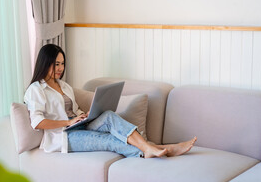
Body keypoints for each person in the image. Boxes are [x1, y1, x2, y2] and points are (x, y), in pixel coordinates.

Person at [24, 44, 197, 158]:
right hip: (64, 137)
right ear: (45, 63)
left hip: (78, 125)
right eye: (56, 64)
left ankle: (151, 148)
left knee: (108, 115)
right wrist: (69, 122)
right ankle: (159, 149)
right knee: (109, 141)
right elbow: (37, 122)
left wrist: (81, 116)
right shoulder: (36, 90)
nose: (60, 68)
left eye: (62, 64)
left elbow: (73, 110)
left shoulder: (64, 86)